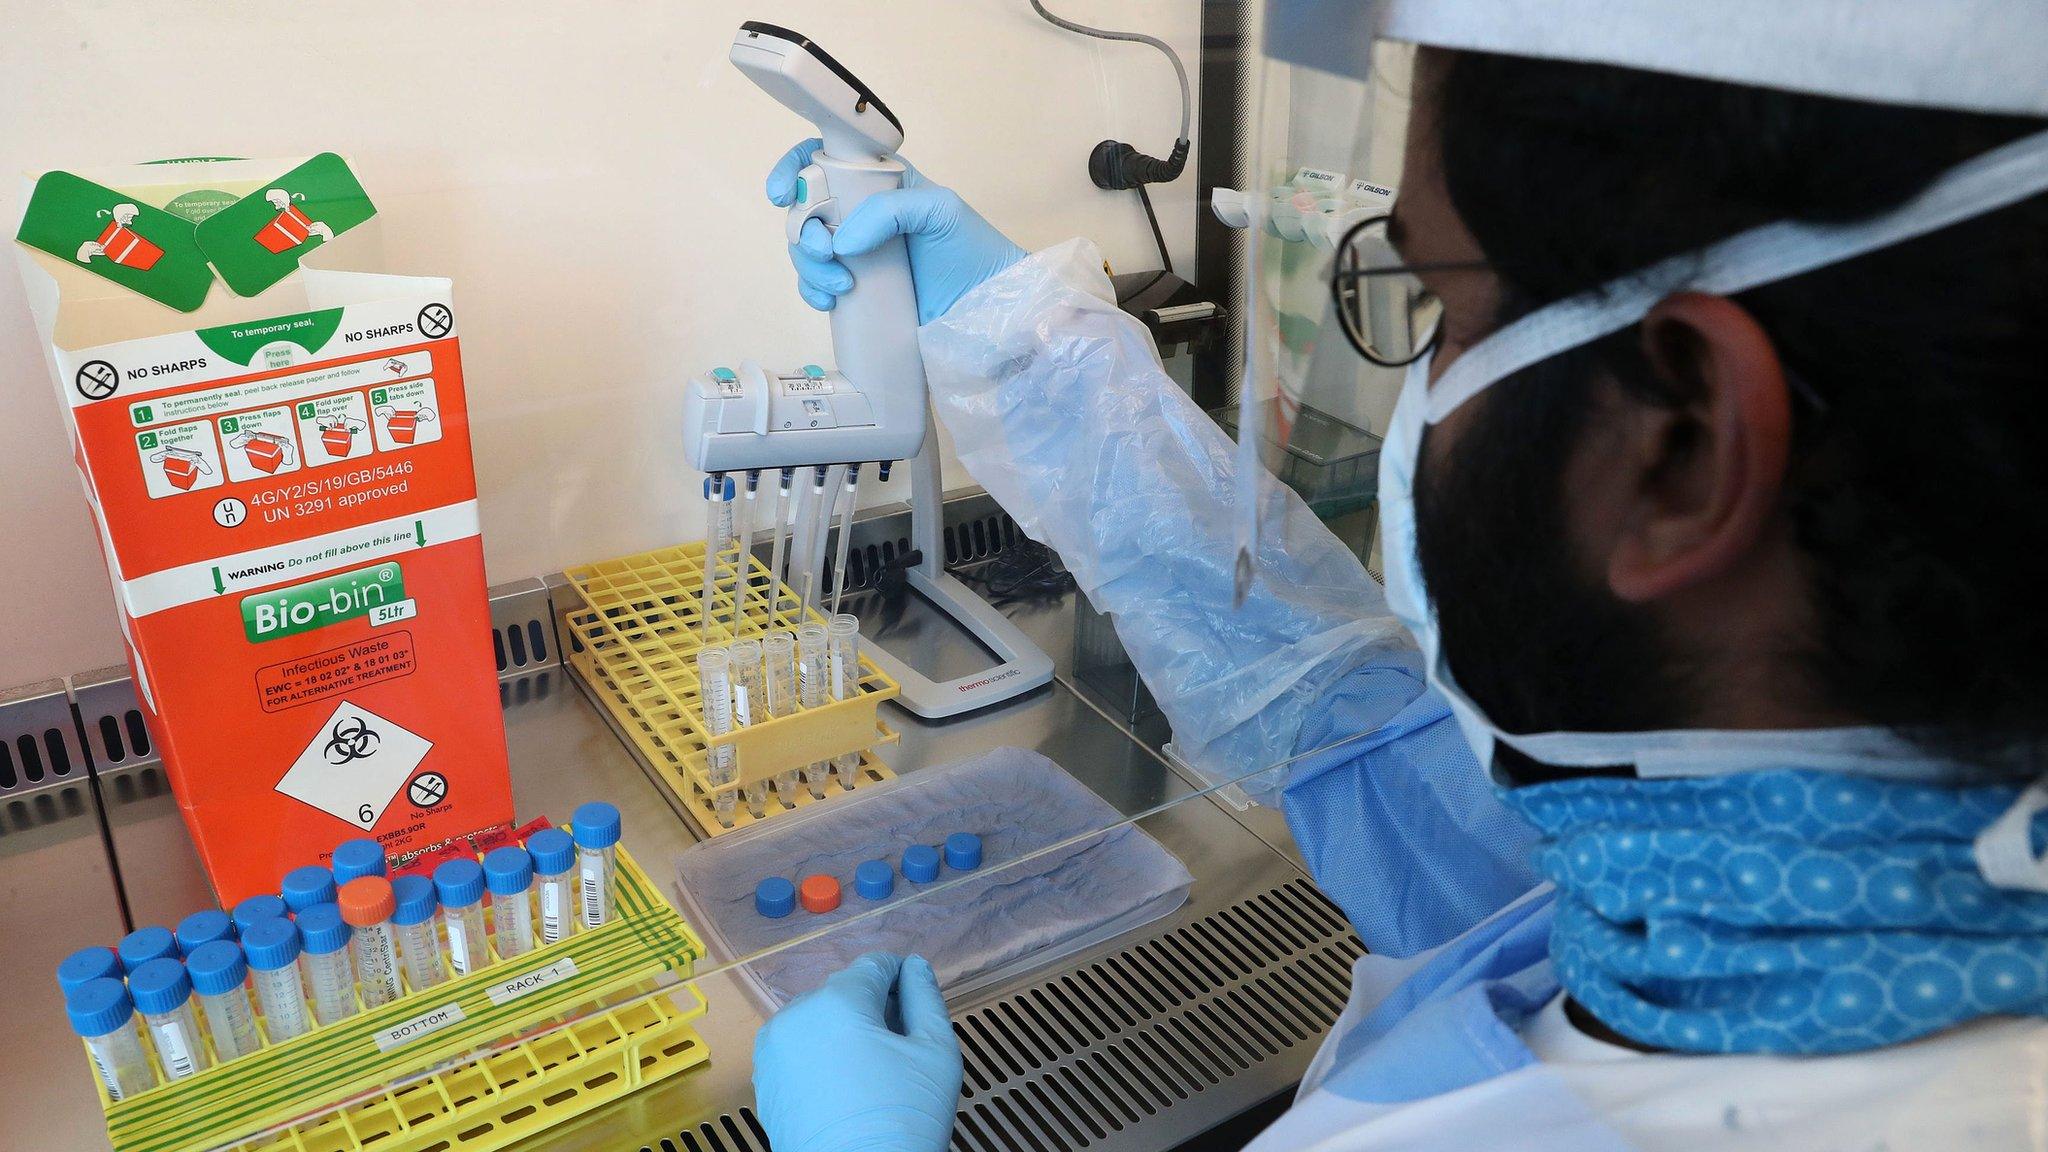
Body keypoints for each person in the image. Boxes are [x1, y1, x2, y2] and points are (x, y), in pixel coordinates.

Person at [748, 3, 2048, 1148]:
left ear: (1686, 440)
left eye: (1431, 308)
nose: (1415, 384)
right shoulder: (1789, 895)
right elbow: (1351, 711)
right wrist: (1021, 339)